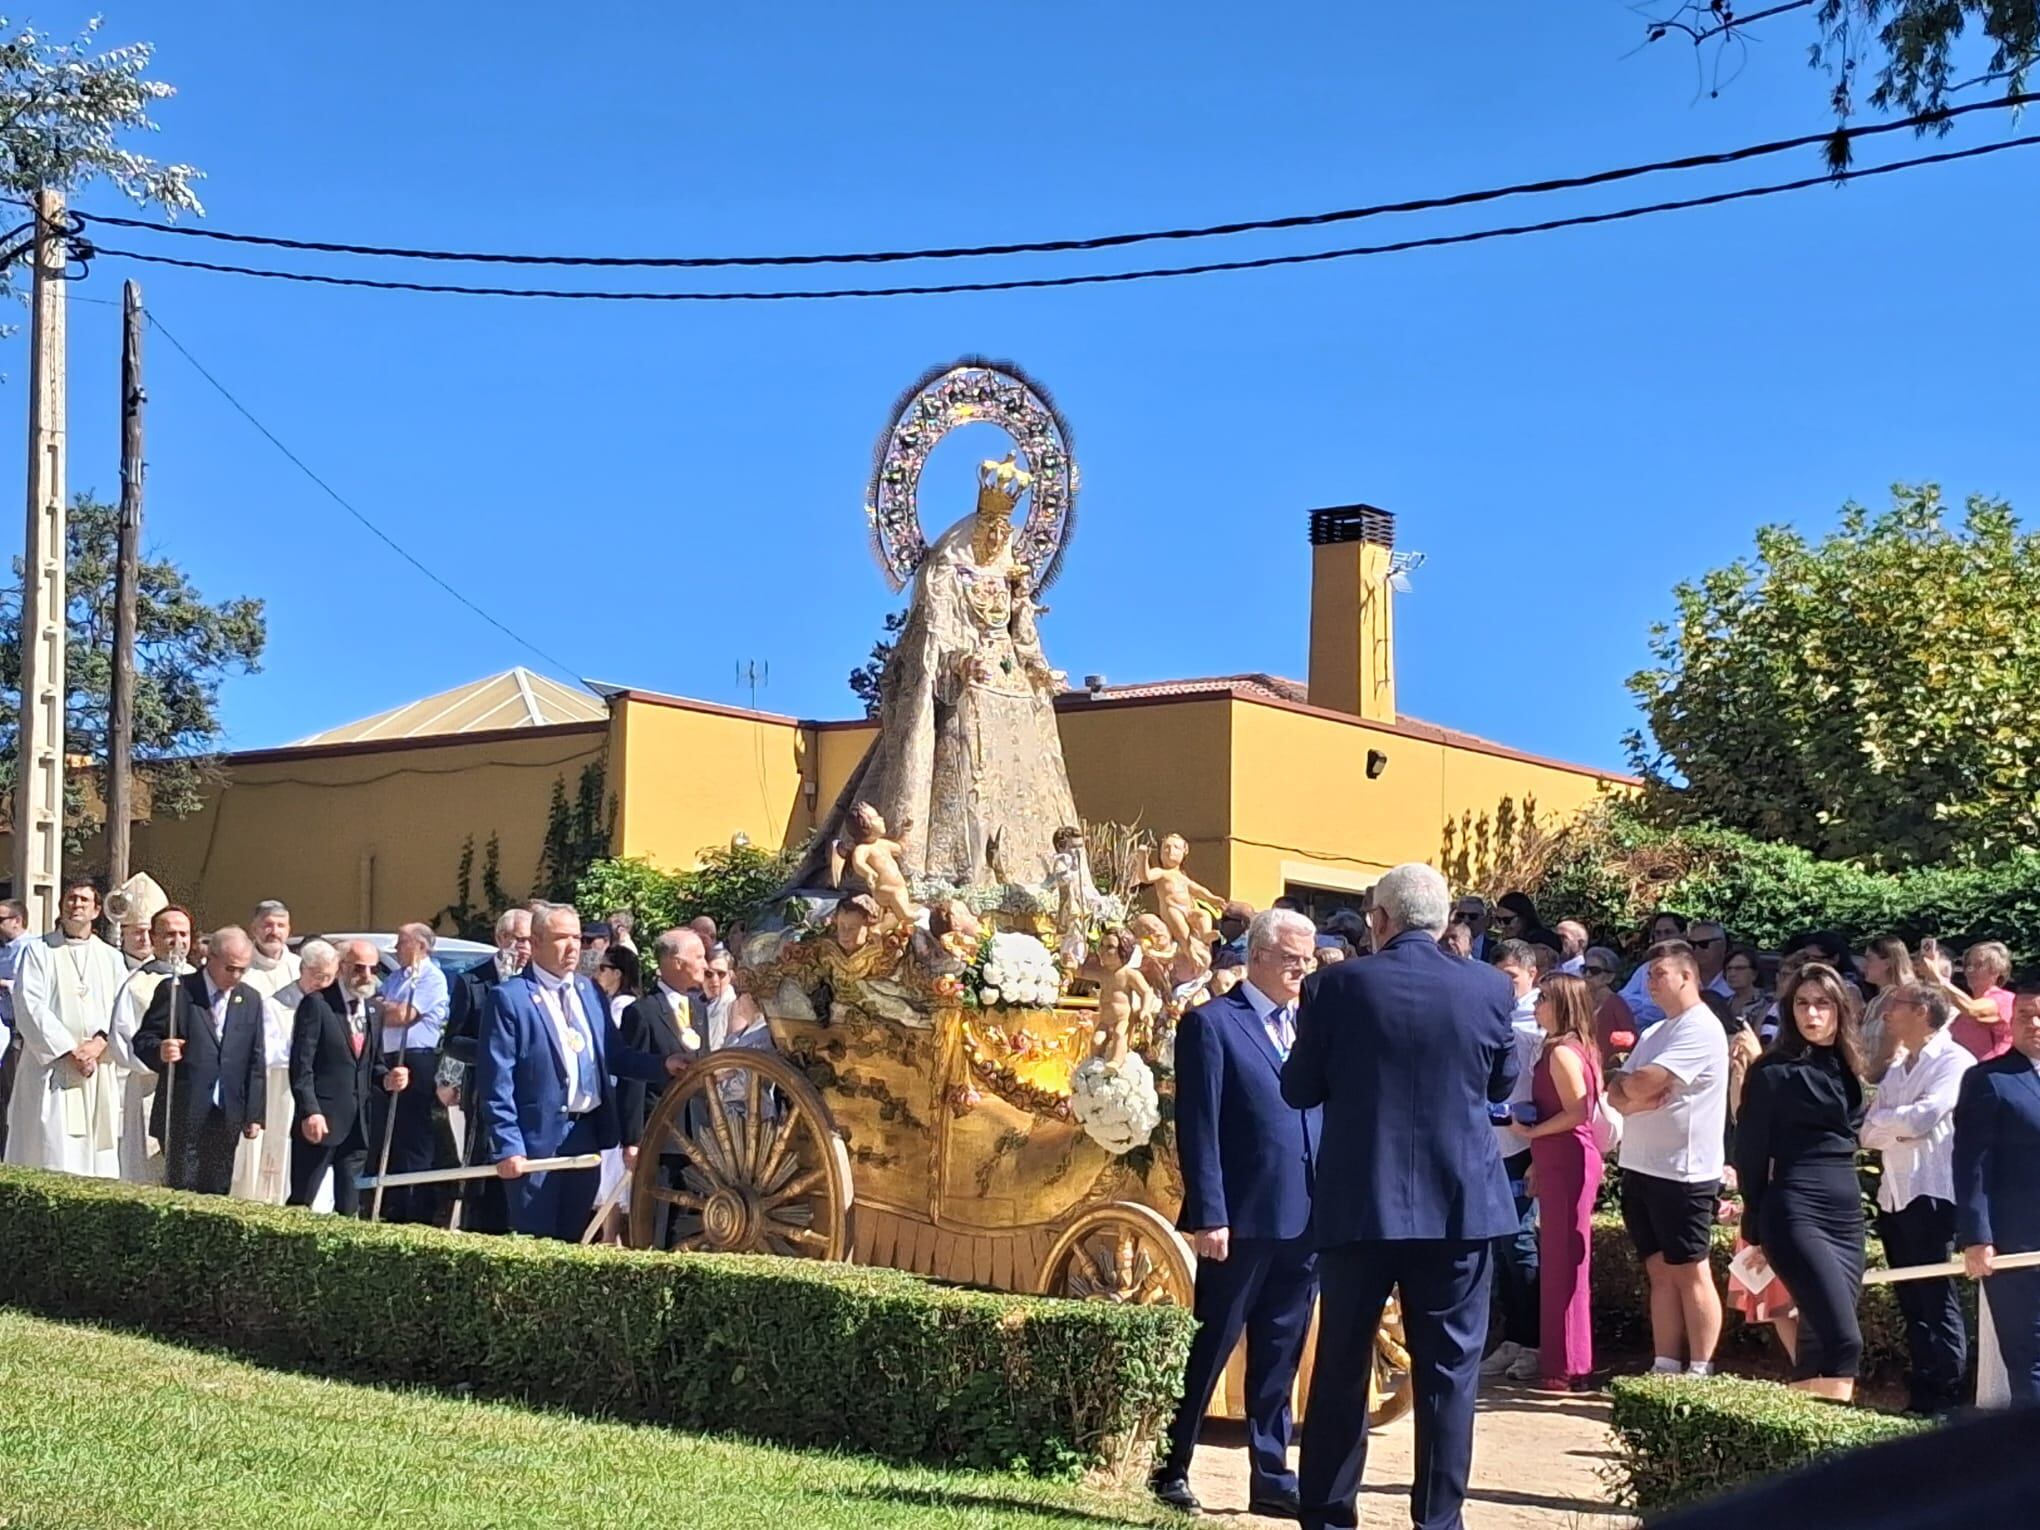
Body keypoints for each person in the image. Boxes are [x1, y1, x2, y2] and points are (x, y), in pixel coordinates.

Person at [1282, 863, 1518, 1530]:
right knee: (1450, 1374)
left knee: (1341, 1365)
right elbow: (1499, 1084)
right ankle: (1439, 1521)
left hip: (1362, 1200)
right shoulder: (1490, 989)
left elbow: (1299, 1089)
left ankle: (1329, 1515)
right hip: (1459, 1203)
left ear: (1379, 921)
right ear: (1445, 923)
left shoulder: (1334, 986)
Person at [1153, 909, 1321, 1519]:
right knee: (1213, 1345)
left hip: (1305, 1218)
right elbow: (1199, 1128)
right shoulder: (1212, 1025)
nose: (1302, 967)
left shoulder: (1312, 1026)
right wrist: (1210, 1214)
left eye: (1308, 958)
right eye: (1291, 957)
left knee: (1281, 1350)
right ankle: (1170, 1466)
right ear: (1258, 957)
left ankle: (1271, 1475)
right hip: (1241, 1219)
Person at [478, 902, 684, 1242]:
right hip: (536, 1140)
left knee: (574, 1240)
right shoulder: (510, 998)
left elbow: (614, 1056)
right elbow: (496, 1081)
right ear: (538, 940)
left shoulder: (589, 993)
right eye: (562, 938)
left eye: (577, 937)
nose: (574, 947)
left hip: (585, 1136)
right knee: (537, 1243)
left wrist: (661, 1065)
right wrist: (508, 1145)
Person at [1734, 962, 1868, 1401]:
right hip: (1796, 1210)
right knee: (1843, 1339)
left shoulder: (1847, 1067)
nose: (1812, 1014)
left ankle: (1810, 1449)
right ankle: (1833, 1452)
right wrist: (1752, 1222)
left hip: (1846, 1217)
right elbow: (1751, 1152)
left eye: (1822, 1004)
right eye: (1802, 1004)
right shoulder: (1773, 1071)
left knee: (1818, 1338)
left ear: (1839, 1010)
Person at [1607, 940, 1730, 1378]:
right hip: (1641, 1165)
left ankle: (1701, 1366)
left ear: (1686, 976)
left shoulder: (1701, 1027)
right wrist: (1634, 1091)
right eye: (1648, 975)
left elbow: (1639, 1085)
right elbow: (1620, 1090)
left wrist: (1635, 1090)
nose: (1651, 984)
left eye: (1659, 974)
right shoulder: (1656, 1032)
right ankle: (1664, 1363)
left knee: (1690, 1271)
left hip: (1684, 1170)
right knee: (1658, 1270)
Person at [1858, 982, 1973, 1414]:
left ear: (1923, 1011)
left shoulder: (1954, 1060)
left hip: (1932, 1193)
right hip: (1895, 1194)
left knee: (1936, 1297)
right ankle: (1922, 1388)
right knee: (1911, 1299)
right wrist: (1896, 1125)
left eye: (1896, 1007)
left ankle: (1947, 1392)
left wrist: (1892, 1124)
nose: (1887, 1015)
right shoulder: (1899, 1067)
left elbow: (1927, 1116)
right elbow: (1868, 1130)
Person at [1511, 972, 1604, 1390]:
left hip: (1569, 1159)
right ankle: (1564, 1360)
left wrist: (1533, 1133)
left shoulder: (1564, 1052)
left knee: (1565, 1263)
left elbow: (1578, 1112)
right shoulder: (1565, 1047)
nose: (1536, 1005)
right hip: (1558, 1159)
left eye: (1544, 998)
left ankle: (1568, 1365)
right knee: (1559, 1260)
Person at [4, 880, 131, 1177]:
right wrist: (70, 1051)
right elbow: (29, 1005)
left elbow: (121, 1011)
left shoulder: (111, 957)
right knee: (50, 1148)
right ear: (62, 905)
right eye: (71, 899)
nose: (77, 905)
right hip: (51, 1069)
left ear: (97, 910)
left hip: (95, 1070)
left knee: (96, 1154)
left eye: (84, 901)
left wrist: (100, 1044)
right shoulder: (39, 951)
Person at [1954, 975, 2040, 1404]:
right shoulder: (1989, 1080)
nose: (2036, 1023)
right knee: (2030, 1359)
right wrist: (1976, 1237)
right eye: (2026, 1014)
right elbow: (1972, 1164)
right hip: (2017, 1246)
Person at [134, 926, 267, 1195]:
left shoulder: (249, 999)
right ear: (211, 958)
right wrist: (160, 1049)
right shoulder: (177, 991)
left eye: (243, 969)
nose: (237, 976)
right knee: (181, 1191)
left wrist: (254, 1113)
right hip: (183, 1110)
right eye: (230, 968)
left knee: (217, 1191)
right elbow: (144, 1039)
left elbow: (255, 1059)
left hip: (226, 1112)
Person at [1480, 939, 1546, 1386]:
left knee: (1521, 1245)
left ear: (1531, 976)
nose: (1505, 986)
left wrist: (1538, 1154)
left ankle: (1534, 1341)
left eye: (1513, 978)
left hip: (1522, 1148)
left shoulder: (1539, 1026)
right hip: (1488, 1146)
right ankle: (1511, 1337)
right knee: (1498, 1249)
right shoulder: (1486, 1014)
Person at [106, 905, 196, 1185]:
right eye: (169, 934)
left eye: (184, 933)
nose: (177, 940)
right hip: (149, 1087)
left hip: (192, 1089)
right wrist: (157, 1056)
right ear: (154, 938)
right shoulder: (137, 984)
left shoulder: (202, 981)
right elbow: (122, 1039)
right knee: (148, 1173)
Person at [289, 939, 380, 1215]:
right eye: (358, 968)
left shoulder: (375, 1010)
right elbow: (302, 1064)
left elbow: (373, 1065)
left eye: (371, 969)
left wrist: (390, 1078)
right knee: (302, 1202)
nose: (365, 975)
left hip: (358, 1125)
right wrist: (310, 1111)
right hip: (322, 1120)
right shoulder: (317, 1004)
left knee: (349, 1208)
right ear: (342, 967)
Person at [373, 922, 450, 1223]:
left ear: (420, 945)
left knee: (416, 1136)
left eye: (401, 942)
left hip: (417, 1059)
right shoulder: (394, 978)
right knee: (391, 1136)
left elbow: (400, 1016)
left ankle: (417, 1207)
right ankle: (391, 1204)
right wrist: (383, 1006)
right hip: (388, 1057)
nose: (395, 948)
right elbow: (378, 1009)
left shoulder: (432, 978)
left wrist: (383, 1007)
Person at [1858, 936, 1918, 1083]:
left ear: (1888, 963)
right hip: (1871, 1080)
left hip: (1895, 1081)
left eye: (1869, 959)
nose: (1863, 966)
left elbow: (1889, 1052)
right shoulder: (1874, 1002)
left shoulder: (1902, 999)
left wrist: (1865, 1082)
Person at [0, 899, 28, 1159]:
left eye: (1, 920)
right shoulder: (3, 950)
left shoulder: (30, 949)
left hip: (20, 1035)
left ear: (17, 921)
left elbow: (24, 986)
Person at [1955, 941, 2015, 1060]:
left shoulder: (2003, 999)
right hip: (1964, 1073)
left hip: (1994, 1073)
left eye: (1978, 965)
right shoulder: (1964, 1003)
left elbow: (1972, 1010)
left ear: (1997, 970)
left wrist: (1939, 981)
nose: (1970, 970)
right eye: (1968, 965)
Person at [699, 944, 738, 1050]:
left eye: (721, 974)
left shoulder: (733, 1006)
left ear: (731, 975)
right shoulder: (697, 1003)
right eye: (708, 974)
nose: (714, 980)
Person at [1452, 895, 1492, 963]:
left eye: (1473, 916)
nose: (1466, 920)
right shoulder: (1445, 946)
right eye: (1461, 915)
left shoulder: (1494, 949)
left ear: (1485, 920)